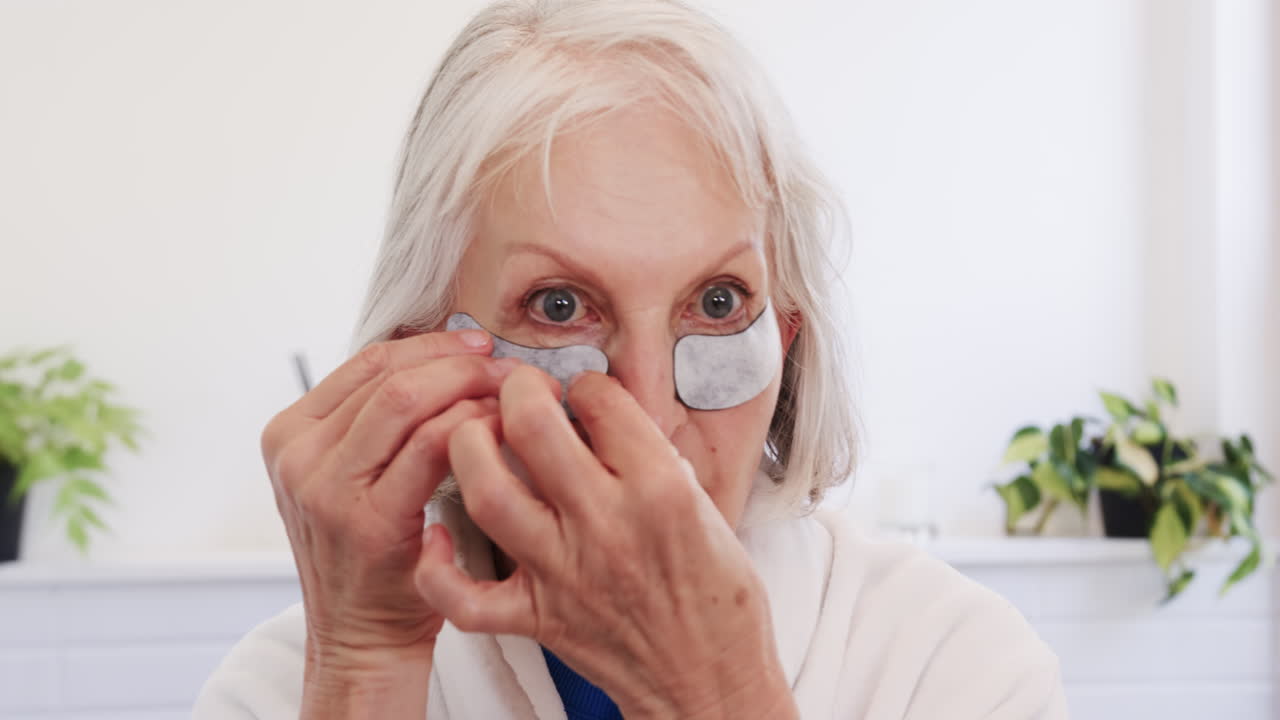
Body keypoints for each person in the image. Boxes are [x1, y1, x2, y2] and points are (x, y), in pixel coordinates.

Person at [194, 1, 1068, 718]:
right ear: (420, 354)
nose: (647, 413)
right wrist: (365, 664)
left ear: (787, 341)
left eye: (718, 302)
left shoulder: (956, 667)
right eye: (560, 306)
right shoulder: (282, 688)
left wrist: (718, 696)